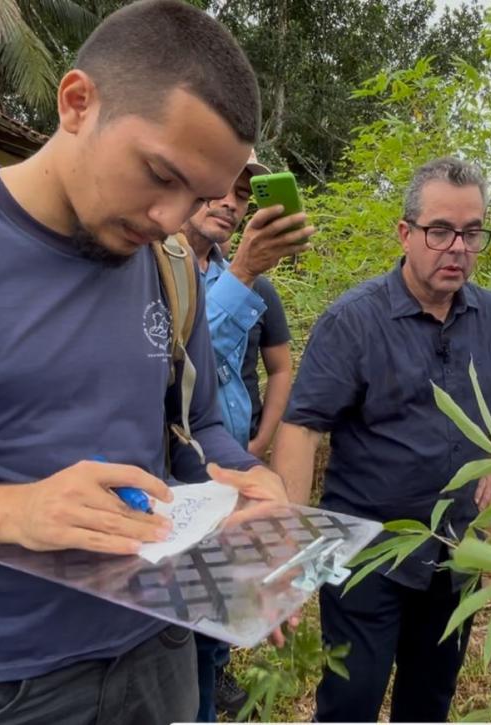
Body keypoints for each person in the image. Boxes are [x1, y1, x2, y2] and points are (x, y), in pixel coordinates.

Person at [0, 3, 290, 724]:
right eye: (158, 174)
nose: (171, 218)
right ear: (77, 102)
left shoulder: (170, 268)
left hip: (156, 657)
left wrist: (245, 481)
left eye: (197, 197)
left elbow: (197, 429)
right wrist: (7, 508)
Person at [271, 157, 491, 722]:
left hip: (456, 549)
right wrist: (295, 542)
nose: (457, 248)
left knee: (430, 699)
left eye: (472, 233)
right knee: (351, 700)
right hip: (366, 549)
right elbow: (302, 427)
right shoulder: (354, 321)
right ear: (406, 233)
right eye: (440, 231)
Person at [178, 155, 313, 720]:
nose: (230, 203)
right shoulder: (153, 270)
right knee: (180, 618)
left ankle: (213, 677)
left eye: (241, 193)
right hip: (176, 475)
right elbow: (180, 359)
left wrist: (257, 445)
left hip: (233, 467)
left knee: (220, 604)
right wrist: (241, 276)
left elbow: (279, 368)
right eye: (217, 188)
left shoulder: (251, 281)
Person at [219, 236, 294, 461]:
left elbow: (281, 368)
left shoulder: (260, 289)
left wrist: (261, 441)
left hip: (244, 447)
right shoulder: (168, 284)